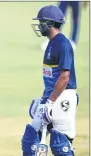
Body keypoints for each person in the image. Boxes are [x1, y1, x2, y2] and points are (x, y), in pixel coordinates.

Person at [22, 5, 78, 156]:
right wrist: (43, 100)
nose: (39, 26)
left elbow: (64, 77)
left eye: (41, 22)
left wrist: (50, 102)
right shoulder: (51, 43)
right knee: (30, 142)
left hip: (63, 98)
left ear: (50, 23)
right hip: (51, 98)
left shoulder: (63, 44)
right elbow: (50, 77)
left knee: (60, 146)